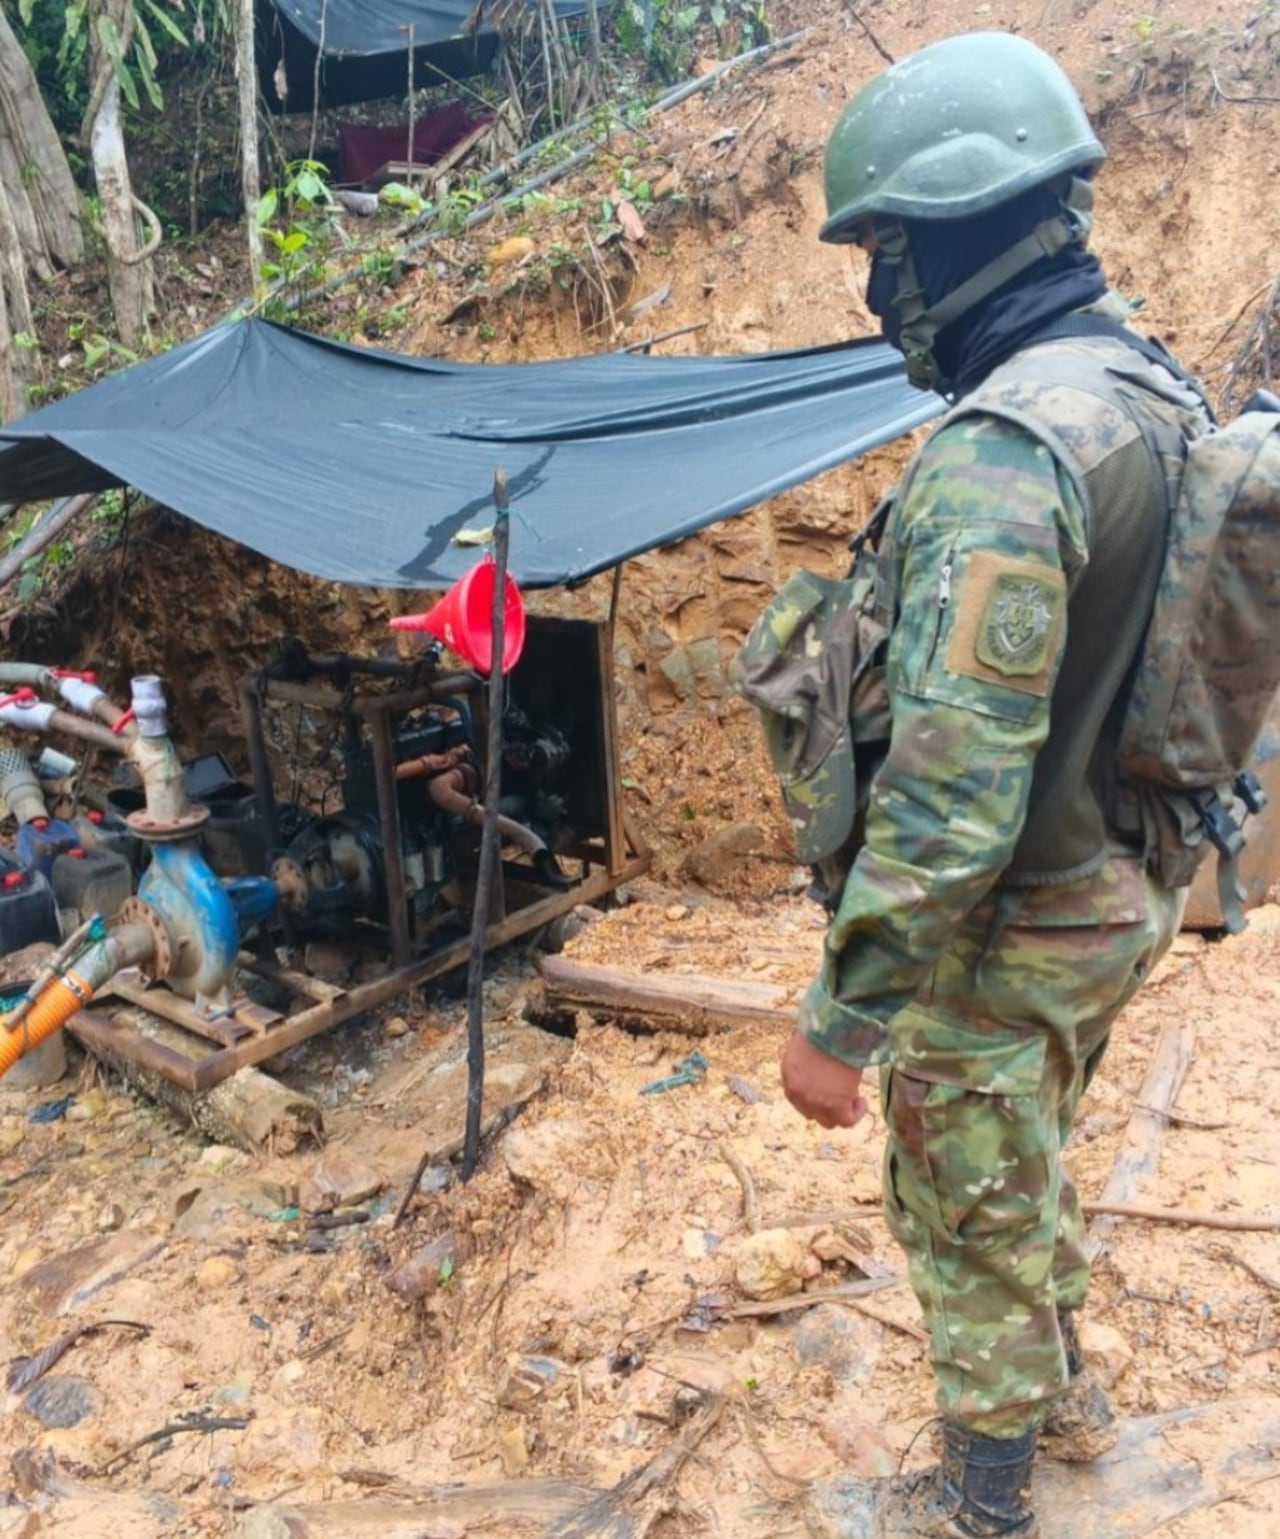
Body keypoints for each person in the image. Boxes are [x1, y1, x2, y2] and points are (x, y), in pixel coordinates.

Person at [775, 30, 1209, 1539]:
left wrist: (844, 1015)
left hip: (1017, 910)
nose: (875, 290)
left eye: (887, 250)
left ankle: (986, 1494)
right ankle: (1067, 1390)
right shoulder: (1147, 386)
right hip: (1124, 883)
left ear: (959, 230)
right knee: (1023, 1149)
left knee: (960, 1197)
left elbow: (956, 790)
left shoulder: (1007, 449)